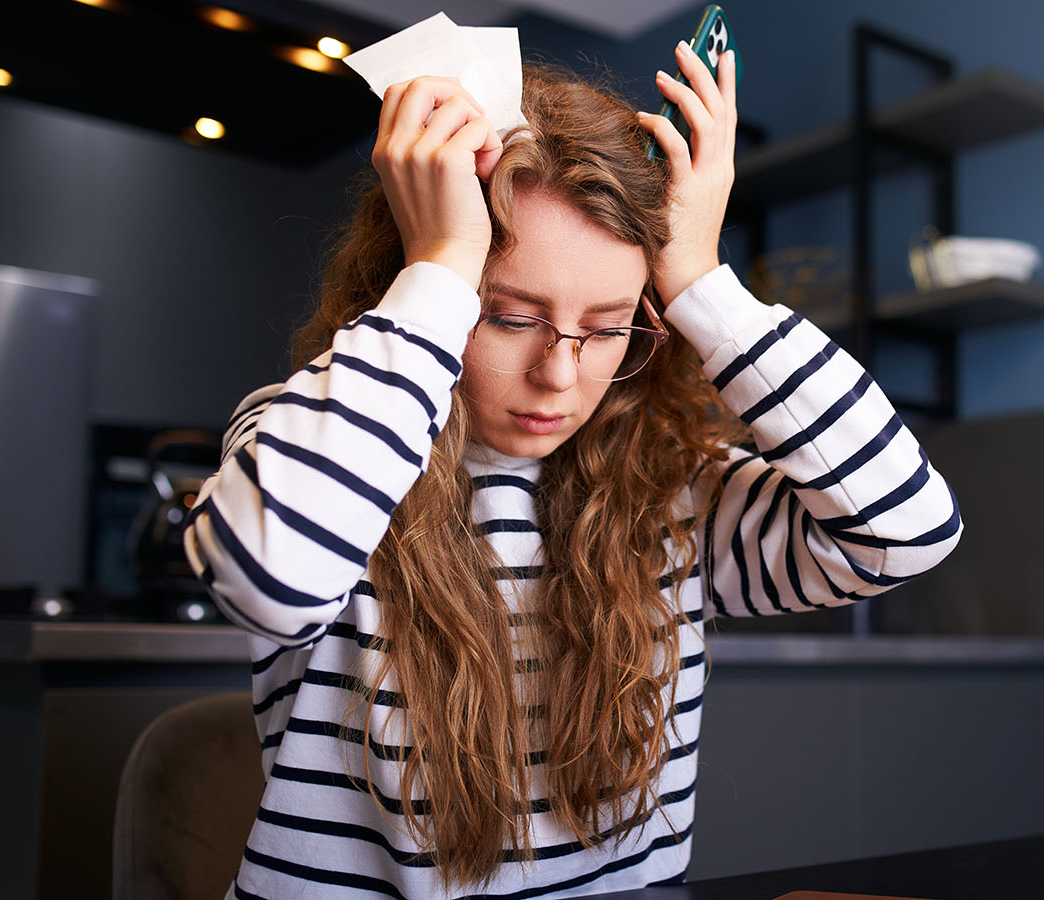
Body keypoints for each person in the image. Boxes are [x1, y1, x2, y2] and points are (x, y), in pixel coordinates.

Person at [185, 40, 962, 900]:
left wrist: (701, 279)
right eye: (511, 318)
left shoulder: (677, 498)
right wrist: (442, 257)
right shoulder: (315, 441)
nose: (561, 374)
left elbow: (907, 532)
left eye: (607, 326)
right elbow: (270, 579)